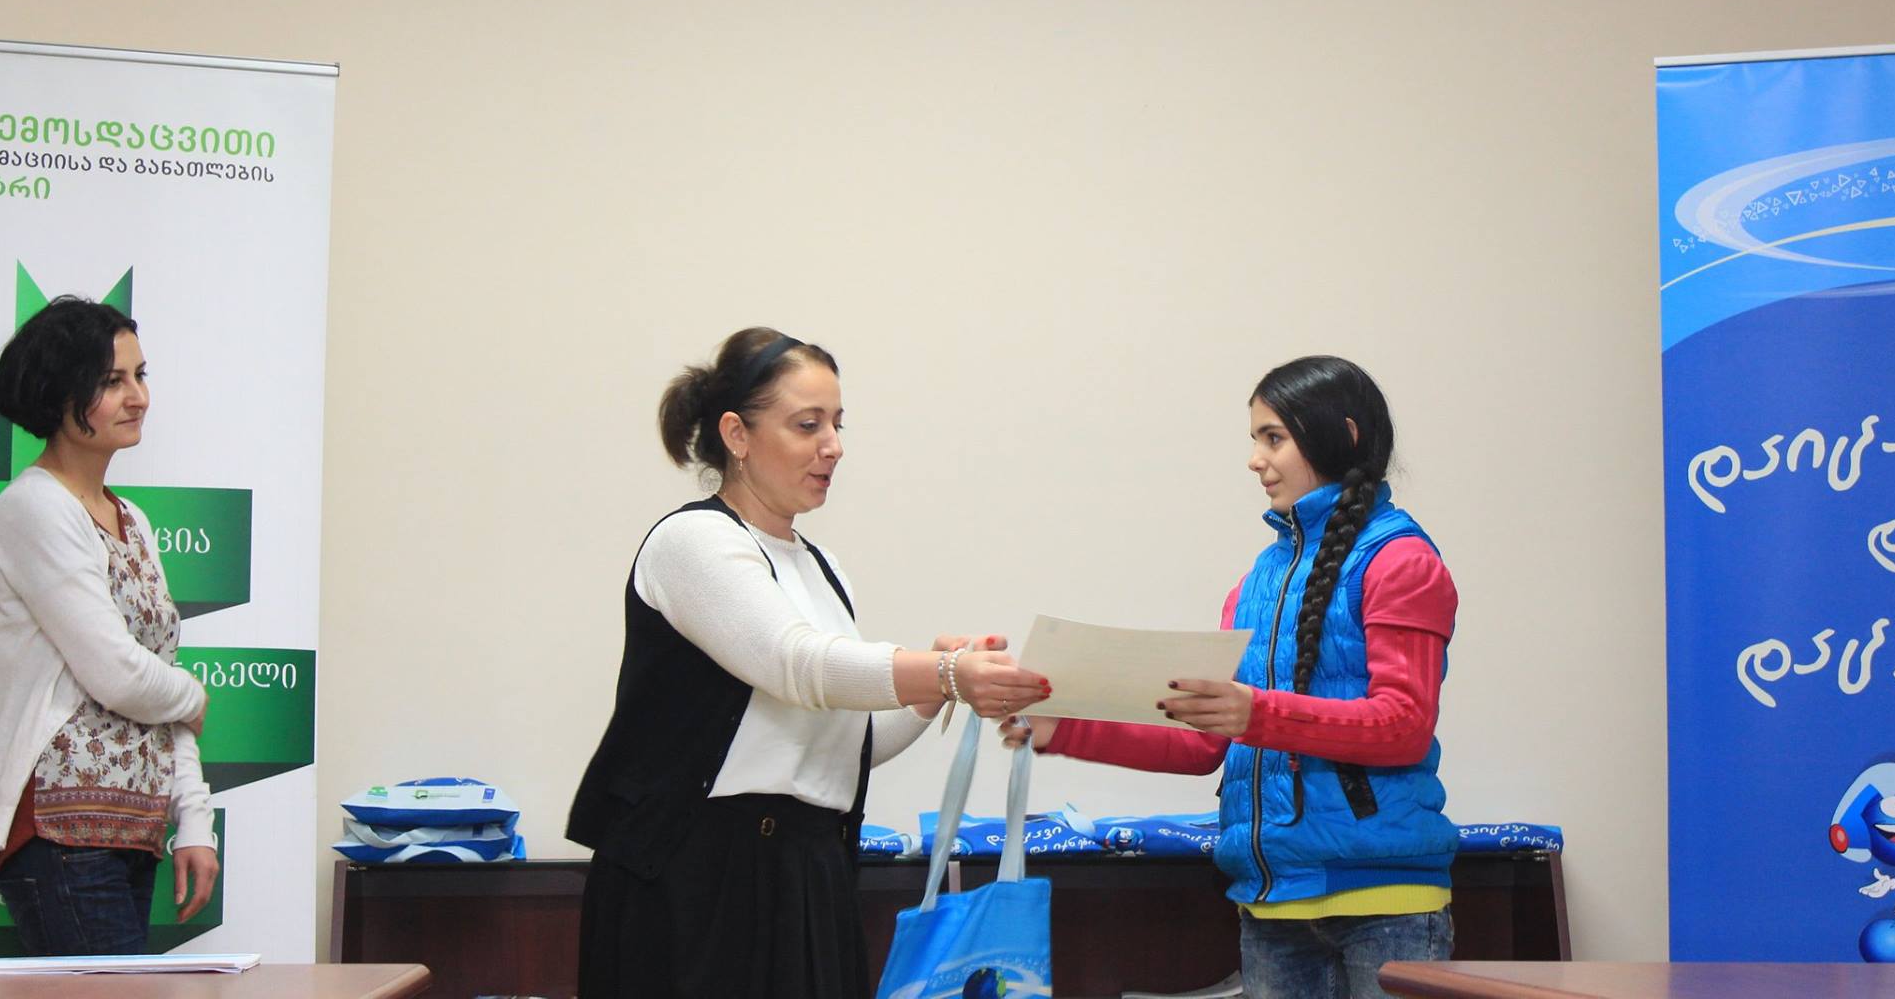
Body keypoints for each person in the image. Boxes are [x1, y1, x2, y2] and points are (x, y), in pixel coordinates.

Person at [567, 327, 1050, 999]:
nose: (834, 446)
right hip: (696, 879)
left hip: (806, 870)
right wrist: (939, 672)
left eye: (837, 424)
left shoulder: (820, 568)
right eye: (807, 424)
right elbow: (799, 665)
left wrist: (939, 686)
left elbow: (838, 742)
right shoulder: (693, 541)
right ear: (736, 435)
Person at [1006, 355, 1459, 999]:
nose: (1254, 460)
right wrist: (1062, 729)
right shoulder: (1253, 584)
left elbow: (1404, 727)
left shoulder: (1401, 561)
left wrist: (1258, 714)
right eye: (1255, 439)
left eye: (1273, 437)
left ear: (1344, 435)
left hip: (1387, 907)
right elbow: (1203, 744)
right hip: (1270, 909)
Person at [0, 297, 218, 954]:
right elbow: (119, 674)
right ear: (59, 395)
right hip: (59, 834)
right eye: (112, 381)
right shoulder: (34, 508)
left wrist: (194, 820)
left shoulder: (132, 519)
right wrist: (193, 696)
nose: (138, 397)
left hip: (133, 829)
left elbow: (157, 677)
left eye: (140, 375)